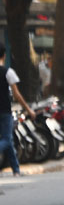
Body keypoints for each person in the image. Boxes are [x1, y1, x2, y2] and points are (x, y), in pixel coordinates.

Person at [1, 43, 38, 176]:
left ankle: (16, 170)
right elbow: (17, 95)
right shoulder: (8, 72)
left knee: (9, 140)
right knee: (6, 139)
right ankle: (16, 170)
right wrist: (29, 110)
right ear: (4, 55)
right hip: (4, 111)